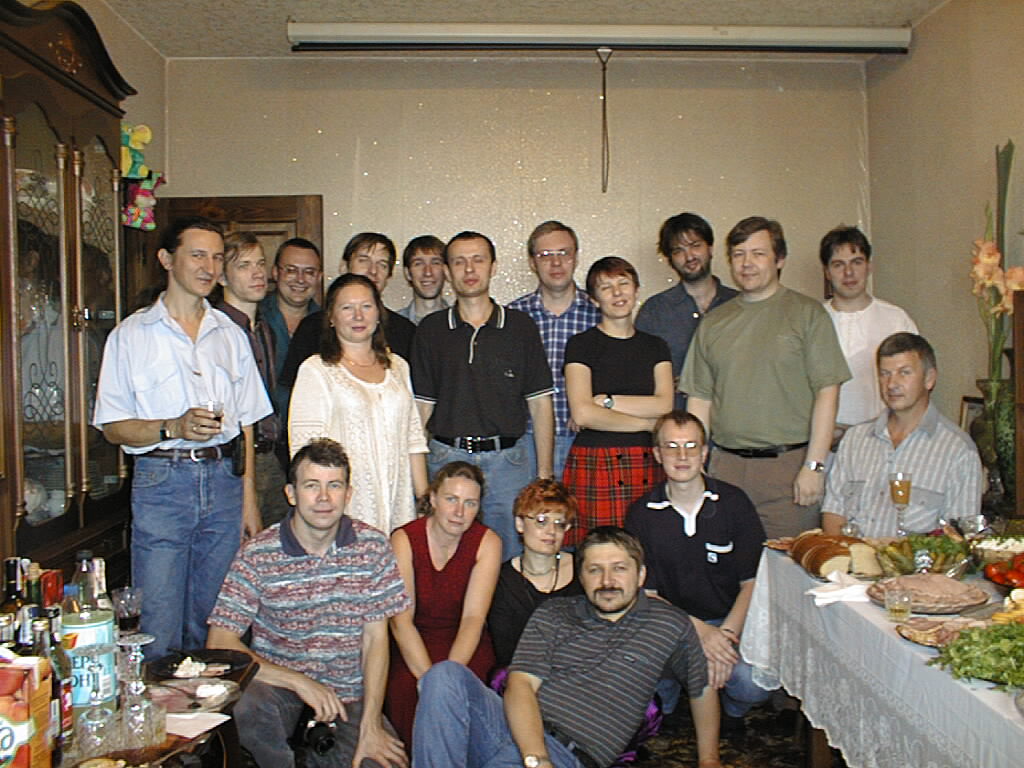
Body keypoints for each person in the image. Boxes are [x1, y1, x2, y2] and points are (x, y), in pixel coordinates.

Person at [92, 216, 272, 659]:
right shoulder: (131, 335)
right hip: (162, 481)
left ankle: (212, 704)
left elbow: (247, 423)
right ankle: (163, 702)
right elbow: (113, 426)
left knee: (219, 618)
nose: (209, 267)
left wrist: (248, 498)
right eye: (197, 255)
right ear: (167, 259)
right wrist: (172, 427)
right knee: (158, 617)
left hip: (225, 480)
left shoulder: (230, 334)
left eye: (216, 257)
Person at [412, 527, 722, 768]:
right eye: (594, 569)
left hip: (569, 754)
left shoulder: (668, 624)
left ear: (640, 575)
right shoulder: (555, 613)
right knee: (445, 675)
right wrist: (536, 758)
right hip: (509, 729)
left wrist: (709, 760)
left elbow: (701, 689)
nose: (607, 580)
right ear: (581, 576)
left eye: (619, 568)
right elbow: (520, 685)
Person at [207, 438, 410, 768]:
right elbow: (219, 642)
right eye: (312, 485)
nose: (324, 498)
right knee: (245, 704)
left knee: (387, 760)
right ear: (291, 493)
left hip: (346, 700)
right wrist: (299, 682)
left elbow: (376, 641)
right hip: (278, 695)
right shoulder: (257, 554)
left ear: (348, 494)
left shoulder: (373, 548)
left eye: (334, 486)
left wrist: (371, 725)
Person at [681, 216, 851, 538]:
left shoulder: (807, 314)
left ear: (780, 259)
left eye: (758, 253)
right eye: (739, 254)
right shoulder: (714, 323)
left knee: (787, 563)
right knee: (724, 561)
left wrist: (814, 466)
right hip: (726, 467)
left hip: (788, 469)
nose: (747, 263)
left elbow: (828, 392)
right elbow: (700, 399)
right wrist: (695, 463)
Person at [625, 410, 772, 736]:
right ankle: (667, 704)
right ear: (657, 454)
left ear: (705, 452)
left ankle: (733, 710)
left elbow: (752, 582)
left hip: (730, 622)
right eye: (672, 446)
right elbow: (647, 595)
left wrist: (725, 637)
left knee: (753, 685)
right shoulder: (641, 514)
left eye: (691, 446)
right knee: (639, 671)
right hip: (669, 624)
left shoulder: (734, 503)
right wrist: (702, 634)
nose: (682, 456)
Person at [410, 231, 555, 560]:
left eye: (478, 260)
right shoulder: (431, 330)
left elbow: (540, 404)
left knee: (511, 555)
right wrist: (418, 480)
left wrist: (544, 474)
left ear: (493, 266)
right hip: (446, 460)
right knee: (448, 557)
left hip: (510, 464)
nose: (469, 269)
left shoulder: (520, 327)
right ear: (448, 270)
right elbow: (420, 411)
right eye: (459, 261)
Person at [288, 274, 428, 533]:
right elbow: (304, 450)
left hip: (398, 503)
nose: (358, 316)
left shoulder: (398, 367)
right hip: (342, 506)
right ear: (331, 317)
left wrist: (423, 500)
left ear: (378, 313)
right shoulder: (317, 370)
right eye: (347, 308)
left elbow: (413, 438)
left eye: (366, 306)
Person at [386, 462, 501, 750]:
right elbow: (401, 621)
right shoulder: (404, 539)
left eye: (470, 503)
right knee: (406, 693)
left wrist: (447, 680)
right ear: (433, 499)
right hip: (413, 642)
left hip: (464, 643)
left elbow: (473, 618)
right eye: (451, 499)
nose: (459, 512)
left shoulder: (487, 543)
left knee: (466, 698)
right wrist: (430, 684)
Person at [822, 333, 983, 537]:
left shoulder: (958, 451)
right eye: (885, 373)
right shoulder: (855, 440)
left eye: (904, 373)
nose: (891, 384)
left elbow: (961, 536)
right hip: (851, 555)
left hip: (917, 558)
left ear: (929, 379)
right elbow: (833, 512)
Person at [562, 256, 673, 546]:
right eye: (606, 287)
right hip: (596, 461)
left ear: (636, 289)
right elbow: (583, 414)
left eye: (624, 283)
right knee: (597, 549)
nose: (617, 293)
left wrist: (607, 401)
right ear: (594, 299)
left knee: (649, 545)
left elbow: (664, 404)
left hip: (647, 460)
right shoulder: (580, 344)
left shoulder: (656, 346)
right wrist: (647, 424)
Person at [509, 221, 601, 479]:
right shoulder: (513, 317)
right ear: (532, 263)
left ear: (576, 257)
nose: (556, 263)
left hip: (587, 439)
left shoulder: (600, 315)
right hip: (526, 443)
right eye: (545, 255)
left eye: (564, 253)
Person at [282, 233, 417, 403]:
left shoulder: (406, 331)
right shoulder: (312, 327)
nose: (373, 271)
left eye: (382, 264)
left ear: (388, 275)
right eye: (363, 260)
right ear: (344, 267)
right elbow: (293, 394)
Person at [214, 231, 290, 527]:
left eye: (260, 263)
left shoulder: (264, 330)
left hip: (270, 454)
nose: (257, 273)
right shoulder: (215, 331)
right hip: (232, 457)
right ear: (222, 277)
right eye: (244, 266)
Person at [820, 225, 919, 433]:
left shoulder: (896, 320)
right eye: (838, 265)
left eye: (857, 262)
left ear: (869, 266)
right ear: (827, 272)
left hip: (881, 438)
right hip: (823, 439)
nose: (849, 272)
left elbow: (915, 384)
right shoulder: (812, 320)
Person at [635, 213, 738, 409]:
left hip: (732, 420)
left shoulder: (738, 305)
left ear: (710, 248)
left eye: (695, 245)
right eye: (678, 251)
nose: (689, 256)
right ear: (670, 260)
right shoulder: (655, 310)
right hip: (674, 422)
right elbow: (638, 374)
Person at [487, 478, 581, 670]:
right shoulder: (500, 580)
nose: (551, 531)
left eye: (559, 523)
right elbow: (505, 652)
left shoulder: (583, 570)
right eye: (541, 521)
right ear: (520, 524)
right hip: (520, 675)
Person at [260, 237, 322, 406]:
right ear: (275, 272)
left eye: (309, 272)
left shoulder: (329, 325)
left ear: (319, 277)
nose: (300, 280)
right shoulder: (255, 318)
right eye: (291, 270)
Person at [397, 235, 449, 324]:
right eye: (418, 264)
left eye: (435, 263)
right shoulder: (393, 325)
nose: (428, 272)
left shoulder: (462, 323)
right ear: (407, 273)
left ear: (446, 271)